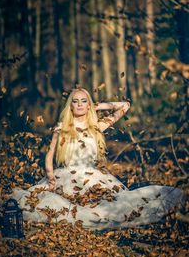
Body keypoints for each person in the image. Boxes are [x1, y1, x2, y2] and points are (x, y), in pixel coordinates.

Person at [12, 87, 186, 230]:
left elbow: (124, 106)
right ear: (70, 106)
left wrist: (96, 106)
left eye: (83, 101)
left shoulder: (97, 127)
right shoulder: (62, 128)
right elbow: (49, 154)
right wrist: (50, 176)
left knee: (110, 205)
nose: (79, 104)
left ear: (89, 105)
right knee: (54, 204)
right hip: (66, 176)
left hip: (93, 177)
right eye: (75, 101)